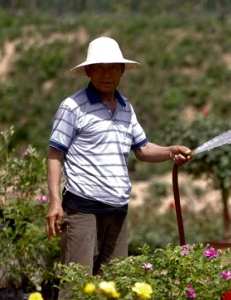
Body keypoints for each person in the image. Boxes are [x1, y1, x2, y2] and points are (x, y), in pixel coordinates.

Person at [45, 36, 191, 281]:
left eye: (113, 67)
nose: (106, 74)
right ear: (88, 71)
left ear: (122, 70)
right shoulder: (72, 107)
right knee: (77, 284)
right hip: (83, 207)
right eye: (100, 68)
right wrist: (55, 202)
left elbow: (142, 149)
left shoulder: (125, 107)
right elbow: (54, 154)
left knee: (115, 284)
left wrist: (169, 151)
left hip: (118, 208)